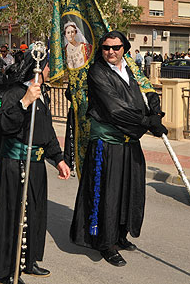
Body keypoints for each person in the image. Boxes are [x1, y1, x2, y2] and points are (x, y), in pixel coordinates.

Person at [70, 31, 166, 267]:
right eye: (105, 48)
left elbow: (146, 92)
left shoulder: (132, 69)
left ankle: (121, 234)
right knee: (108, 194)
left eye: (115, 47)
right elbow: (115, 110)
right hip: (107, 144)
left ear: (124, 48)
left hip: (129, 143)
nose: (110, 52)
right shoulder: (97, 73)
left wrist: (155, 109)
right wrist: (146, 123)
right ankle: (106, 243)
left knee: (129, 191)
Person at [0, 50, 71, 284]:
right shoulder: (15, 92)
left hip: (36, 165)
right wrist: (24, 102)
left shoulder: (42, 93)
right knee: (13, 216)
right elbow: (3, 124)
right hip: (15, 163)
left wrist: (59, 158)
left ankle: (27, 261)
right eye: (47, 67)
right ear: (38, 68)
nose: (49, 71)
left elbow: (47, 131)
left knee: (34, 215)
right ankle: (4, 272)